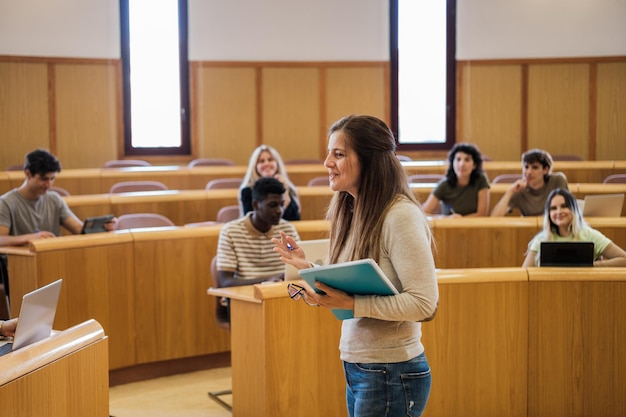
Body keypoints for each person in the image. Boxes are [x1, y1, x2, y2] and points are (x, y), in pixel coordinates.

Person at [273, 115, 439, 417]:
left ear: (369, 160)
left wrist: (353, 303)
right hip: (361, 365)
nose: (326, 163)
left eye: (338, 154)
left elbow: (424, 303)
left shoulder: (399, 216)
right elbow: (358, 283)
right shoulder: (352, 211)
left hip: (391, 369)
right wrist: (308, 269)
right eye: (329, 153)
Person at [0, 149, 116, 247]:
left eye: (52, 178)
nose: (49, 184)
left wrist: (102, 227)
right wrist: (28, 238)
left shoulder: (54, 199)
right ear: (28, 174)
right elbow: (1, 239)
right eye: (44, 179)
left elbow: (79, 229)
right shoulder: (6, 203)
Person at [217, 177, 301, 288]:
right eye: (272, 205)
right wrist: (267, 280)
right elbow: (226, 281)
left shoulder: (287, 230)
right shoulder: (230, 232)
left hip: (282, 293)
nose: (279, 210)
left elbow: (299, 264)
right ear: (256, 205)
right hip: (247, 296)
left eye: (282, 204)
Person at [522, 188, 626, 267]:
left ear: (574, 209)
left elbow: (624, 259)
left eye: (564, 206)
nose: (559, 212)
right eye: (553, 208)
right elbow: (525, 272)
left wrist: (593, 265)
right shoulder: (541, 239)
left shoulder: (590, 235)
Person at [491, 148, 569, 217]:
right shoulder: (519, 189)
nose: (528, 172)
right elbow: (494, 217)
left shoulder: (558, 181)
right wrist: (510, 192)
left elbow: (568, 210)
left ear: (546, 170)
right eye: (526, 167)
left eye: (535, 167)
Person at [421, 143, 490, 217]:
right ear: (452, 163)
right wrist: (447, 218)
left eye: (467, 160)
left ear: (474, 165)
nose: (462, 164)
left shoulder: (481, 180)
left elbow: (482, 214)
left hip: (474, 227)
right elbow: (424, 213)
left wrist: (461, 220)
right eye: (458, 159)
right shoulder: (444, 185)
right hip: (448, 227)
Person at [239, 145, 301, 221]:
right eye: (261, 161)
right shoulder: (247, 191)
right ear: (255, 166)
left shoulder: (288, 187)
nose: (266, 164)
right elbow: (252, 220)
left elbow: (295, 219)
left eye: (270, 160)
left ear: (277, 164)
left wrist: (284, 192)